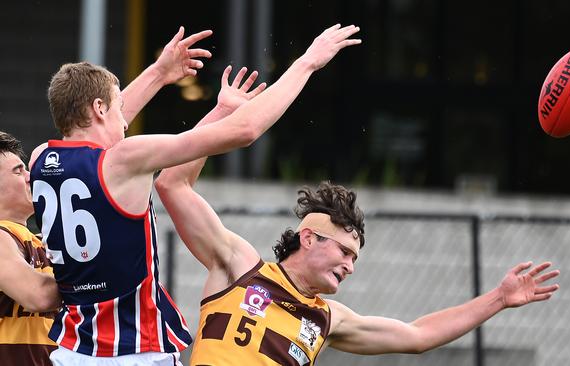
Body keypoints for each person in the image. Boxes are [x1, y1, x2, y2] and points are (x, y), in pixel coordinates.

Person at [30, 24, 361, 365]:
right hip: (135, 351)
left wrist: (161, 74)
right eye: (118, 107)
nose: (126, 119)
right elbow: (244, 131)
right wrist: (306, 63)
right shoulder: (125, 159)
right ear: (99, 109)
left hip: (73, 351)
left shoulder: (41, 159)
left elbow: (91, 133)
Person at [155, 183, 560, 363]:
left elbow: (417, 336)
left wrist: (500, 298)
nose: (350, 266)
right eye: (345, 251)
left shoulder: (328, 318)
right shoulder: (241, 267)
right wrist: (225, 115)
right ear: (309, 238)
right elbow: (173, 184)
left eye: (356, 259)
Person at [0, 131, 61, 365]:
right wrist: (91, 275)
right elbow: (38, 295)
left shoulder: (36, 241)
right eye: (19, 171)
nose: (30, 176)